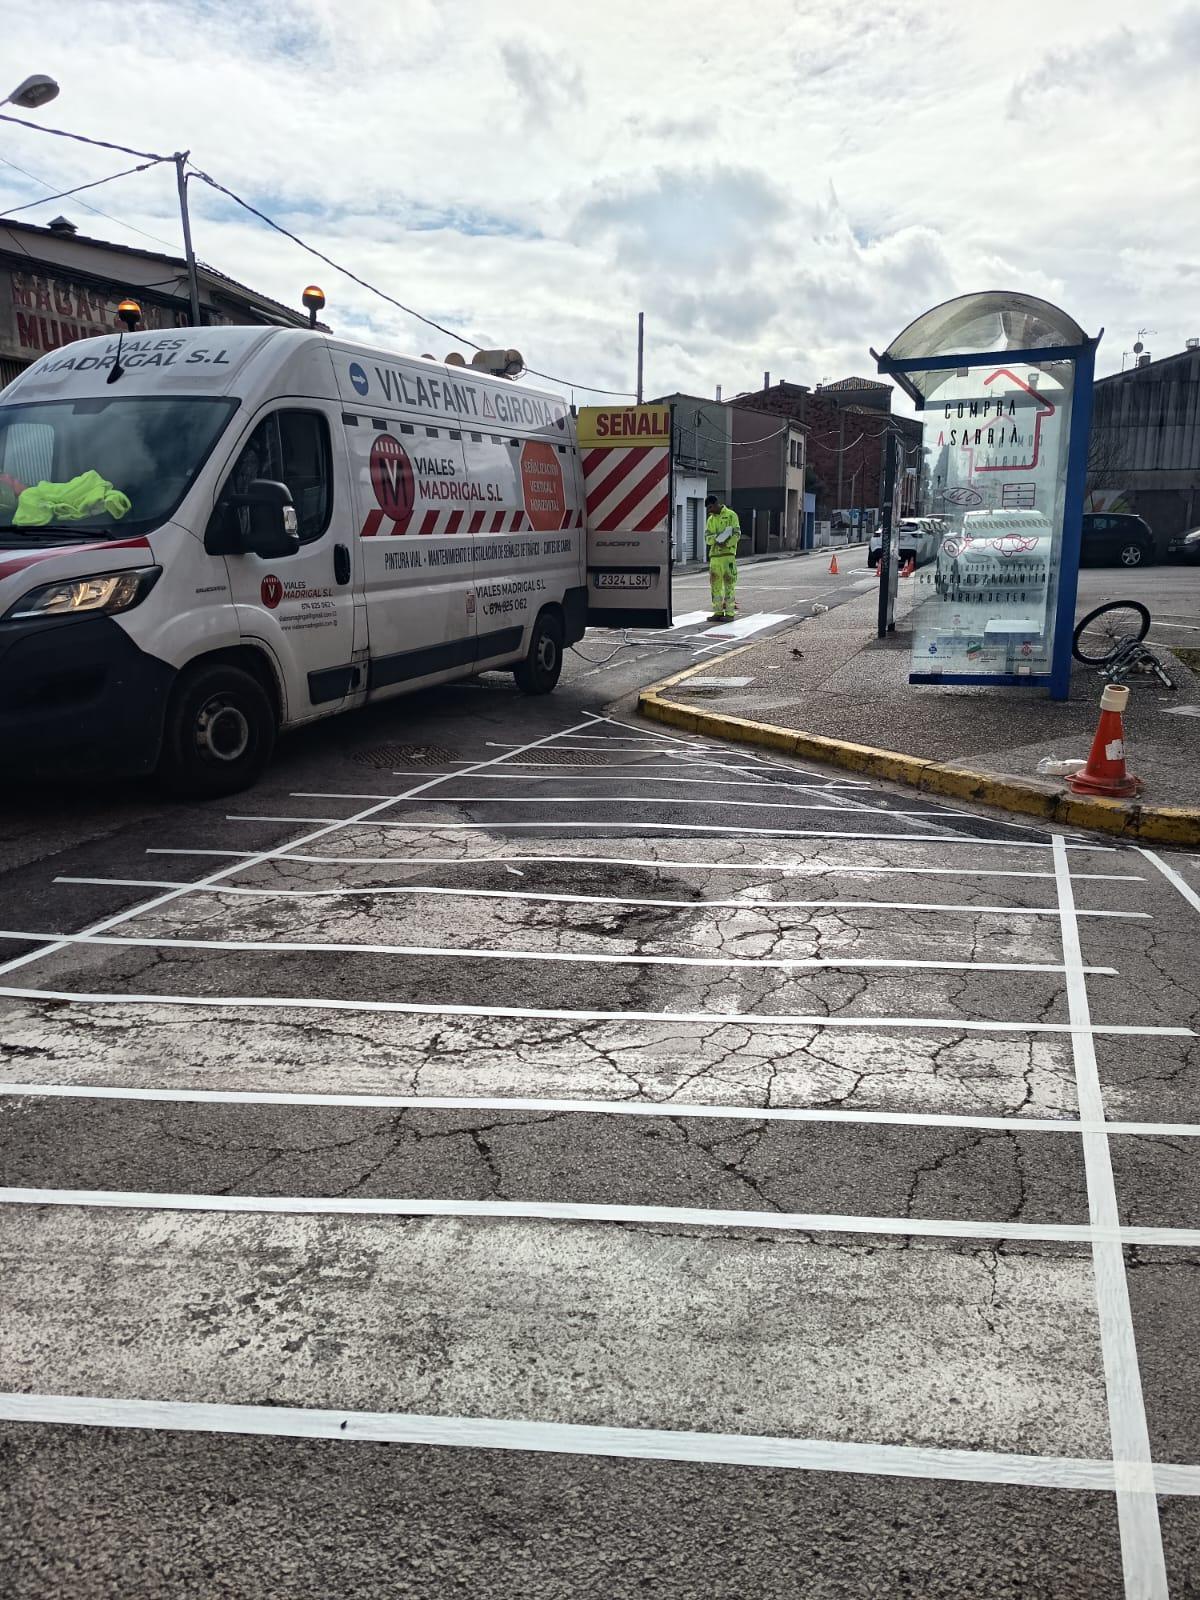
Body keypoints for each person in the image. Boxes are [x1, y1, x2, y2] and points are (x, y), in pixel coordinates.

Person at [704, 493, 741, 620]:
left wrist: (726, 542)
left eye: (710, 507)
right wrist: (716, 539)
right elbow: (707, 538)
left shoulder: (731, 515)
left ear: (715, 504)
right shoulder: (710, 519)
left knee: (729, 584)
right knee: (715, 586)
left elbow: (736, 534)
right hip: (715, 557)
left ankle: (730, 613)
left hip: (728, 556)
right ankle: (718, 612)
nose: (709, 511)